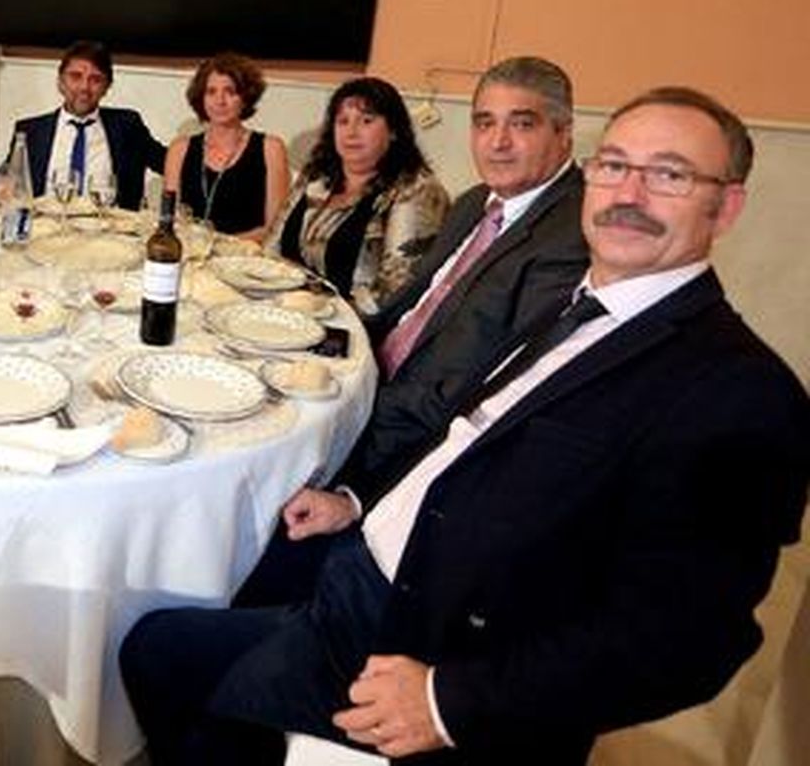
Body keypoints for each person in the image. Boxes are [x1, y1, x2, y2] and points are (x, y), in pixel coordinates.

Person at [120, 87, 810, 765]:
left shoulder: (738, 391)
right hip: (368, 565)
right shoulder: (579, 309)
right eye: (616, 165)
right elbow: (467, 439)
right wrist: (355, 501)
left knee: (164, 655)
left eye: (670, 174)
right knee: (195, 592)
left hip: (422, 639)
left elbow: (689, 640)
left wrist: (449, 701)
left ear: (727, 206)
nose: (630, 192)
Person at [342, 56, 589, 491]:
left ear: (564, 134)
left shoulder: (575, 234)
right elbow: (409, 309)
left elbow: (471, 381)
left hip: (406, 444)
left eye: (523, 124)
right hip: (367, 380)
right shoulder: (476, 201)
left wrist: (348, 447)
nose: (498, 142)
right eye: (484, 123)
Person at [272, 77, 448, 312]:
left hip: (355, 328)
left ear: (394, 131)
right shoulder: (316, 174)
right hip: (285, 311)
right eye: (343, 121)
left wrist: (320, 313)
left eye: (366, 121)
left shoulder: (416, 189)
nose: (351, 132)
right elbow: (271, 247)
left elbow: (394, 292)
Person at [11, 40, 166, 211]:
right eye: (75, 77)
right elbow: (8, 179)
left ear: (107, 87)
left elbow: (167, 163)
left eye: (96, 80)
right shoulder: (30, 131)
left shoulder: (127, 126)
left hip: (110, 232)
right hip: (45, 229)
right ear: (60, 82)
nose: (85, 87)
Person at [163, 53, 289, 239]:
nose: (220, 101)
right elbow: (169, 219)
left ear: (246, 97)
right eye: (211, 92)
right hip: (191, 256)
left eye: (230, 92)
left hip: (247, 260)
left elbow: (274, 228)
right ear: (201, 97)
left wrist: (219, 248)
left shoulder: (271, 148)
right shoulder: (179, 149)